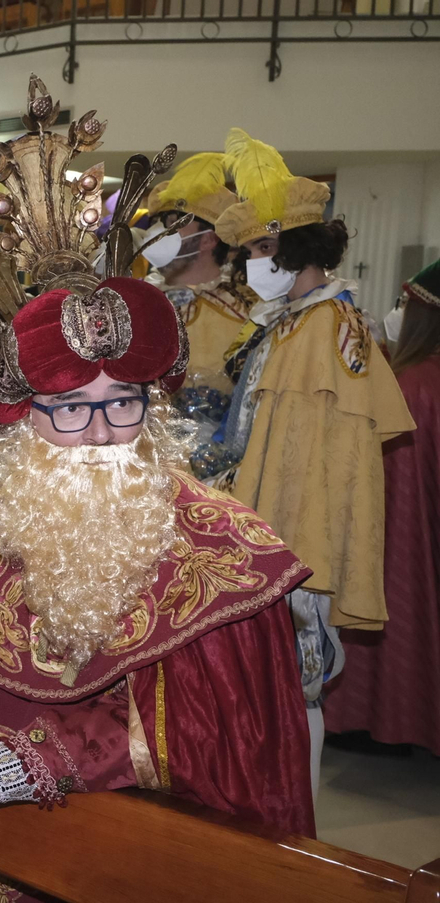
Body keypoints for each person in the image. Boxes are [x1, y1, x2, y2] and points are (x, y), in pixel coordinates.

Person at [0, 83, 315, 903]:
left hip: (122, 861)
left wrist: (16, 760)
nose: (99, 431)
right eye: (68, 409)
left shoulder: (223, 552)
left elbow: (208, 732)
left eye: (123, 404)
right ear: (20, 419)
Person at [213, 129, 414, 789]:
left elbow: (344, 464)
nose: (251, 263)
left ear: (299, 248)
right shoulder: (285, 320)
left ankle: (298, 830)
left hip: (300, 544)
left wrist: (302, 552)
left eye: (263, 249)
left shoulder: (334, 329)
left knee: (298, 690)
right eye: (245, 251)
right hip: (258, 529)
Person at [325, 259, 440, 755]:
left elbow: (395, 492)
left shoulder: (412, 386)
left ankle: (382, 717)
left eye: (402, 305)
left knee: (395, 592)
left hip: (399, 533)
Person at [140, 153, 260, 478]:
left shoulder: (249, 313)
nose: (157, 233)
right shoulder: (134, 305)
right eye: (159, 222)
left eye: (171, 224)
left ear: (208, 239)